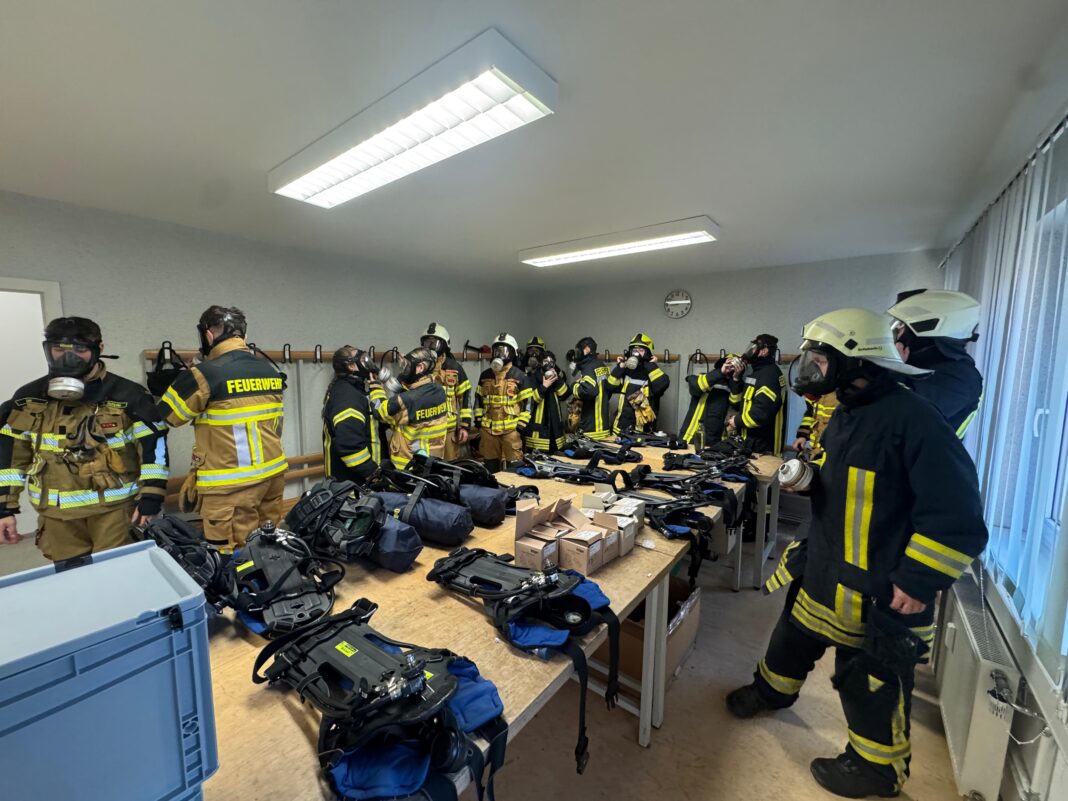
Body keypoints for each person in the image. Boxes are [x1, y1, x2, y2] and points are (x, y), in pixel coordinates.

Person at [726, 308, 987, 799]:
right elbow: (853, 480)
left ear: (857, 361)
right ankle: (771, 692)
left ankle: (875, 768)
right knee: (790, 639)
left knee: (871, 680)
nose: (809, 367)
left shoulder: (914, 420)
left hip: (879, 587)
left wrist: (916, 582)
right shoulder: (849, 411)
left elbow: (959, 518)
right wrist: (810, 477)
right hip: (825, 563)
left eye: (819, 358)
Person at [0, 317, 169, 561]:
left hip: (115, 513)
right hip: (57, 517)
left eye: (80, 350)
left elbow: (154, 447)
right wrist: (4, 508)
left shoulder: (127, 395)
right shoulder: (29, 398)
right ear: (47, 349)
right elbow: (11, 457)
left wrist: (151, 496)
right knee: (71, 582)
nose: (69, 358)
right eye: (59, 349)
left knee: (117, 577)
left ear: (99, 350)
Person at [160, 306, 287, 550]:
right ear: (244, 337)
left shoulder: (204, 374)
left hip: (232, 487)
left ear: (208, 335)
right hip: (272, 476)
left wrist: (185, 377)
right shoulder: (270, 370)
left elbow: (168, 416)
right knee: (268, 546)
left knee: (232, 553)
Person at [887, 289, 983, 438]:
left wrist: (893, 370)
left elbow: (897, 416)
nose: (897, 333)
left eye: (901, 325)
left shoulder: (961, 379)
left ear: (927, 327)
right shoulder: (918, 364)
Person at [369, 347, 448, 469]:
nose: (404, 370)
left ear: (420, 367)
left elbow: (380, 412)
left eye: (407, 366)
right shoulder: (440, 391)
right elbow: (417, 404)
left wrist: (376, 388)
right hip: (432, 465)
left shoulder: (406, 400)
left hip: (407, 468)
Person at [322, 346, 382, 484]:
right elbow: (350, 445)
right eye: (362, 359)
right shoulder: (347, 397)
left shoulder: (354, 390)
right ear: (351, 366)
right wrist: (372, 473)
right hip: (353, 489)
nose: (367, 362)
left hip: (359, 485)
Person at [475, 333, 533, 471]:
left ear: (512, 354)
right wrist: (478, 420)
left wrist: (521, 426)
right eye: (497, 351)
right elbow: (478, 400)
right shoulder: (485, 375)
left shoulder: (519, 376)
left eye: (504, 351)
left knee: (514, 467)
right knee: (490, 467)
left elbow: (529, 404)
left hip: (511, 431)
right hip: (488, 430)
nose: (499, 355)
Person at [419, 322, 473, 459]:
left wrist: (465, 426)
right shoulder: (419, 367)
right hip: (425, 430)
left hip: (449, 430)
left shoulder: (454, 367)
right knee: (428, 467)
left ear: (444, 345)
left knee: (450, 467)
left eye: (434, 343)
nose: (430, 347)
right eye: (426, 343)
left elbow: (465, 397)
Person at [726, 333, 786, 455]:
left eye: (753, 348)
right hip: (751, 442)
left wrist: (736, 421)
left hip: (763, 447)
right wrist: (736, 379)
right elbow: (738, 403)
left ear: (764, 351)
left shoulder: (769, 376)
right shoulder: (757, 373)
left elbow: (760, 415)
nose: (750, 351)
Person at [607, 333, 670, 434]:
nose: (637, 354)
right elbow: (610, 386)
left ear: (648, 353)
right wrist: (620, 367)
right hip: (619, 428)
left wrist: (651, 365)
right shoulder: (626, 370)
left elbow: (660, 386)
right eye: (635, 350)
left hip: (642, 431)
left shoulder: (652, 371)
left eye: (641, 350)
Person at [678, 352, 741, 446]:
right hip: (691, 438)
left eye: (734, 367)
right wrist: (721, 372)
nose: (730, 369)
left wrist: (736, 379)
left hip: (716, 441)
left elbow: (736, 404)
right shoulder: (705, 378)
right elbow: (696, 388)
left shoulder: (736, 386)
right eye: (729, 365)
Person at [523, 350, 569, 453]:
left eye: (551, 362)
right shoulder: (530, 377)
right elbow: (531, 400)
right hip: (538, 433)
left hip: (555, 432)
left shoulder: (556, 377)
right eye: (545, 361)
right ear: (539, 363)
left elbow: (564, 394)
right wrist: (544, 386)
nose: (548, 364)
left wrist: (557, 380)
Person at [568, 336, 613, 441]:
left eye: (578, 351)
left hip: (591, 426)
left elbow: (590, 391)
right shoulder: (601, 365)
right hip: (603, 424)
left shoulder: (588, 367)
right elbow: (609, 390)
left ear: (587, 349)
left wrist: (574, 386)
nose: (577, 353)